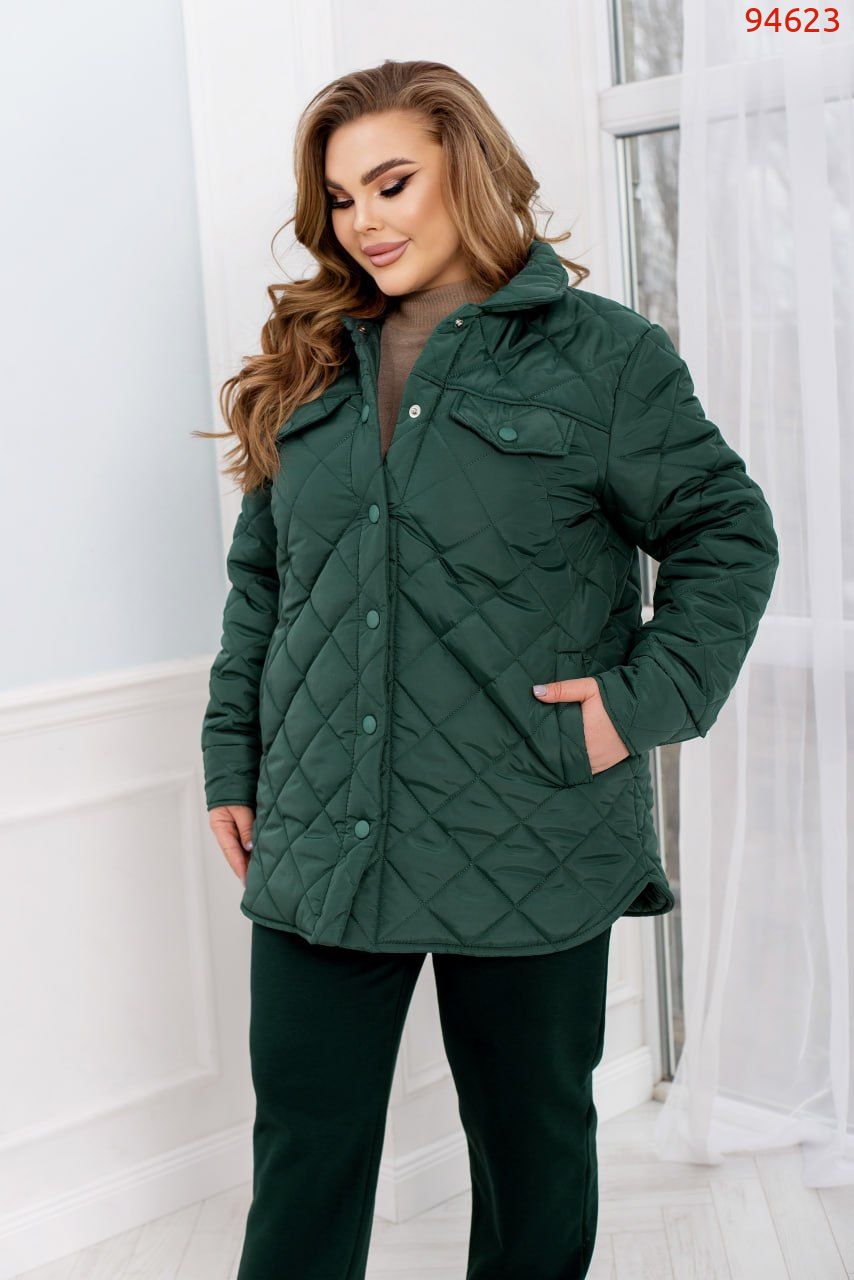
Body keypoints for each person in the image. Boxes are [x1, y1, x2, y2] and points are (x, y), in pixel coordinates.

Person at [197, 59, 779, 1280]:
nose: (364, 221)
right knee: (302, 1152)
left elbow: (725, 533)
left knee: (529, 1156)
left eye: (390, 182)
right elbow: (263, 585)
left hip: (529, 821)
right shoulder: (308, 360)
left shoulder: (605, 358)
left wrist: (636, 705)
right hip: (319, 821)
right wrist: (230, 758)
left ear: (467, 168)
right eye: (340, 198)